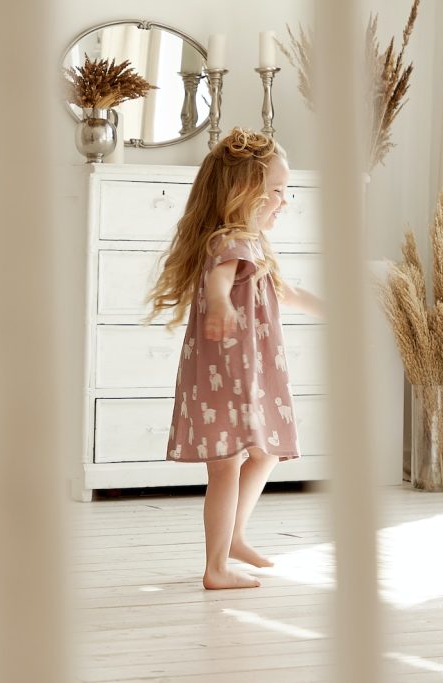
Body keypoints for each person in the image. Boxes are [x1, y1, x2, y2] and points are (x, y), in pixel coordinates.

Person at [148, 128, 323, 589]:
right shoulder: (232, 242)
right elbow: (219, 283)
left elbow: (282, 292)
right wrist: (221, 304)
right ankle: (216, 567)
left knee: (266, 452)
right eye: (276, 192)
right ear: (245, 193)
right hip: (230, 369)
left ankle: (236, 537)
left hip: (249, 369)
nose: (284, 201)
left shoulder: (249, 242)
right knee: (227, 465)